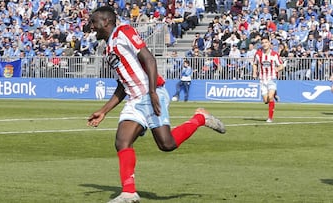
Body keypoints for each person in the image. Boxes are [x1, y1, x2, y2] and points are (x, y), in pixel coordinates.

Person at [87, 6, 226, 203]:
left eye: (94, 22)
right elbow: (122, 84)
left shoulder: (124, 32)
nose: (92, 26)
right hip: (134, 99)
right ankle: (129, 193)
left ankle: (200, 118)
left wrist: (152, 92)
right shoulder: (109, 48)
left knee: (166, 144)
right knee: (122, 141)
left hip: (150, 94)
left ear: (106, 22)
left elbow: (149, 59)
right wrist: (103, 111)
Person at [253, 35, 284, 123]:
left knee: (270, 98)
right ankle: (274, 94)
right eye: (262, 43)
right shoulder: (258, 54)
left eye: (266, 42)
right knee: (265, 100)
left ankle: (270, 118)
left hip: (272, 78)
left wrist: (277, 69)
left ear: (269, 43)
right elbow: (255, 63)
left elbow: (281, 65)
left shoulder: (274, 54)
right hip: (262, 79)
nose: (264, 44)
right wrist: (254, 72)